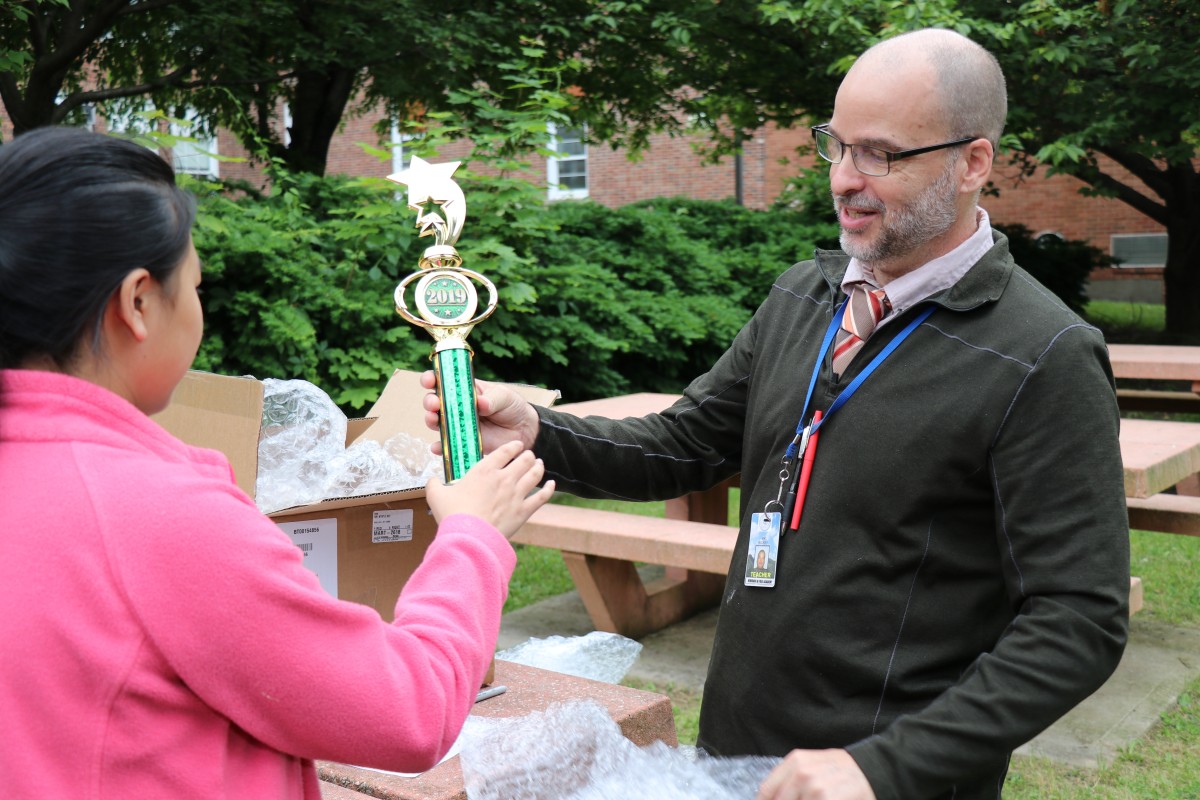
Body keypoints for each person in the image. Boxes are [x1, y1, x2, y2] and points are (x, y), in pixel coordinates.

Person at [421, 28, 1129, 800]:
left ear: (973, 163)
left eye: (880, 155)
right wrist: (538, 430)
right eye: (837, 144)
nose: (843, 179)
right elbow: (685, 445)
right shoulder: (806, 294)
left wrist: (883, 765)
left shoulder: (1044, 353)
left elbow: (1077, 620)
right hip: (732, 754)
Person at [0, 126, 555, 799]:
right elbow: (407, 710)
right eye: (196, 286)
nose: (199, 309)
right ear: (138, 302)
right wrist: (474, 536)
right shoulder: (160, 519)